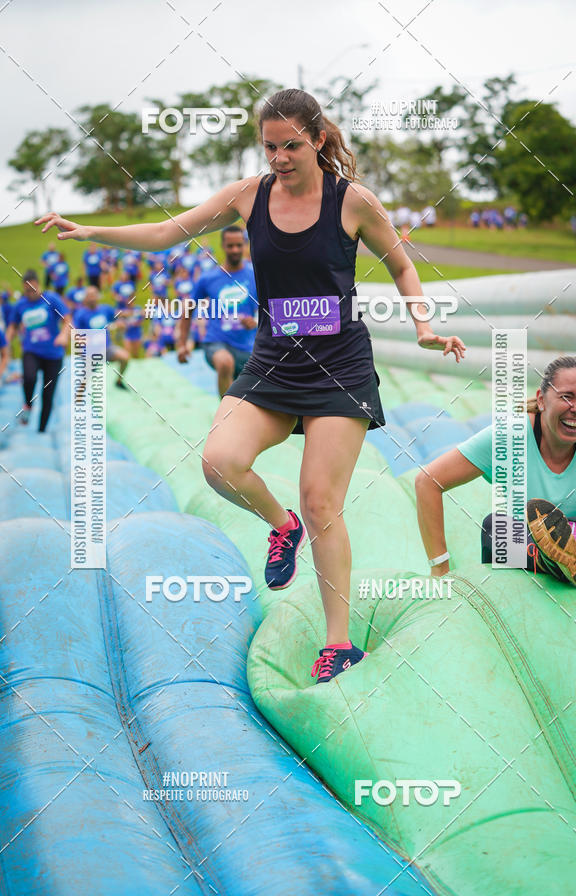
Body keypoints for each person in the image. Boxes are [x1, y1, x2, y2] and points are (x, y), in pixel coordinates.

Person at [34, 87, 465, 685]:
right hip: (274, 358)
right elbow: (168, 233)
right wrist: (89, 232)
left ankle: (337, 643)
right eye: (269, 147)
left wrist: (422, 324)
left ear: (317, 139)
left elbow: (402, 264)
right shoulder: (248, 197)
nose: (280, 157)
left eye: (291, 145)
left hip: (338, 363)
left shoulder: (353, 202)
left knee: (322, 502)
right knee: (218, 462)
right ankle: (279, 524)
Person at [415, 356, 576, 590]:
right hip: (530, 548)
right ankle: (552, 563)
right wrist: (439, 567)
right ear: (542, 400)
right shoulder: (510, 436)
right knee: (496, 529)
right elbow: (427, 481)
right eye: (566, 397)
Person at [178, 225, 257, 396]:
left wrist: (255, 321)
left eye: (239, 245)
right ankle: (226, 418)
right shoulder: (208, 278)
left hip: (248, 348)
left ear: (245, 245)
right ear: (223, 246)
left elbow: (269, 309)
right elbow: (188, 309)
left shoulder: (255, 275)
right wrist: (182, 344)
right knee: (225, 362)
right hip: (215, 343)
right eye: (230, 246)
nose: (235, 250)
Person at [6, 269, 71, 430]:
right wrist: (5, 343)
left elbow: (68, 320)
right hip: (31, 351)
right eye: (26, 290)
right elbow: (13, 327)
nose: (30, 293)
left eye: (32, 289)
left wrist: (64, 335)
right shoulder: (21, 304)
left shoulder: (52, 299)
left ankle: (42, 429)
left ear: (39, 285)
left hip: (53, 354)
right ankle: (28, 405)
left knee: (48, 395)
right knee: (29, 377)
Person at [73, 286, 129, 389]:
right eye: (90, 296)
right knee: (84, 380)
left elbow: (117, 319)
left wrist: (121, 324)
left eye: (94, 296)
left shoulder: (105, 309)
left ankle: (119, 381)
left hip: (107, 348)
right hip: (91, 352)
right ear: (85, 298)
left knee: (125, 357)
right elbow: (75, 333)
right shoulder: (80, 314)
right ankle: (79, 396)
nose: (92, 299)